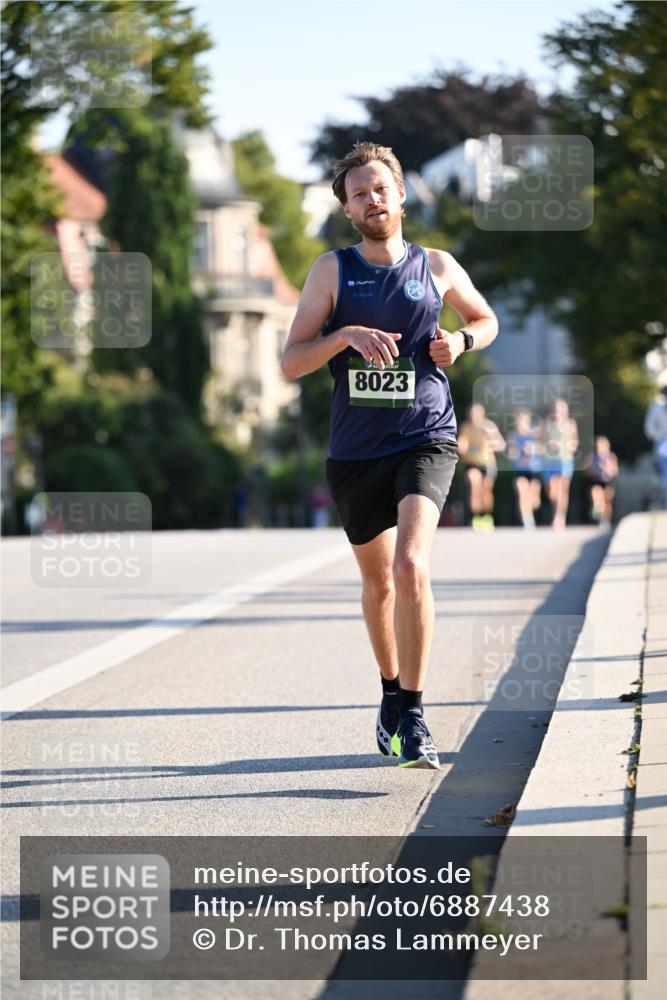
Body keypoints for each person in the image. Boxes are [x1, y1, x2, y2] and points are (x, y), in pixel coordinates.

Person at [281, 141, 498, 768]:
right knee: (378, 584)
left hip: (425, 435)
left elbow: (486, 320)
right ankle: (389, 696)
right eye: (359, 194)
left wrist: (460, 340)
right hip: (355, 452)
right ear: (348, 211)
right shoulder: (332, 270)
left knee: (410, 569)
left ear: (400, 194)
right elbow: (292, 361)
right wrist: (344, 335)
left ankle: (416, 711)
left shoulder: (436, 265)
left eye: (380, 188)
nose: (372, 199)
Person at [457, 403, 505, 532]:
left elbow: (501, 445)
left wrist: (490, 442)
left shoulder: (489, 426)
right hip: (471, 463)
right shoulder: (466, 427)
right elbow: (462, 443)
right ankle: (476, 516)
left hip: (487, 463)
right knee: (474, 484)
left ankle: (487, 516)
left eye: (476, 414)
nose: (474, 417)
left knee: (486, 491)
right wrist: (461, 447)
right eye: (471, 415)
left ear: (482, 415)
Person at [540, 398, 579, 530]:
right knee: (552, 491)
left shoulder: (571, 424)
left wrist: (569, 449)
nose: (558, 413)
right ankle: (556, 513)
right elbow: (540, 440)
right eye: (556, 410)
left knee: (563, 490)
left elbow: (574, 441)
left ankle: (559, 517)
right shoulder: (547, 424)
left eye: (561, 411)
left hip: (564, 460)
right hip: (550, 461)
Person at [506, 408, 543, 529]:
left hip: (534, 470)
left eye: (524, 420)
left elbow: (543, 449)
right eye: (519, 420)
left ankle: (530, 512)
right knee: (522, 492)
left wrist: (533, 449)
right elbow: (510, 453)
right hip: (520, 470)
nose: (522, 423)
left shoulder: (535, 434)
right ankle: (527, 520)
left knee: (534, 501)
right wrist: (514, 453)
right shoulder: (512, 435)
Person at [586, 436, 618, 528]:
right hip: (596, 480)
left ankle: (605, 520)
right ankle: (597, 508)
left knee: (607, 501)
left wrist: (608, 468)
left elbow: (615, 470)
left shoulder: (611, 456)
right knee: (595, 494)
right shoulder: (592, 457)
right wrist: (594, 469)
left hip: (608, 481)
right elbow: (587, 470)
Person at [644, 383, 667, 508]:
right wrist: (660, 435)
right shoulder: (657, 406)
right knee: (664, 475)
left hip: (662, 441)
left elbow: (649, 429)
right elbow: (649, 429)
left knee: (664, 475)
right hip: (663, 442)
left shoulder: (656, 406)